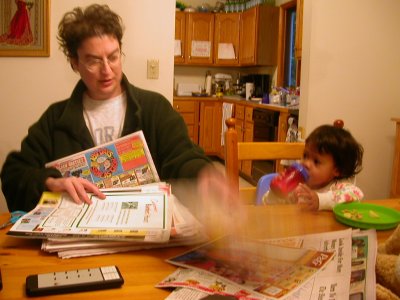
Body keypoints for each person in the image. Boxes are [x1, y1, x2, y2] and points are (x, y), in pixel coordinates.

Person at [1, 4, 232, 214]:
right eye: (93, 61)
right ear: (74, 63)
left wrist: (203, 173)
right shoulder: (56, 118)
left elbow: (182, 156)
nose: (107, 70)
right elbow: (14, 173)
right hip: (76, 245)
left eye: (113, 57)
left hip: (141, 242)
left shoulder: (155, 108)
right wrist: (50, 182)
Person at [262, 123, 364, 210]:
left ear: (337, 170)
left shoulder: (338, 186)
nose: (306, 163)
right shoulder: (298, 186)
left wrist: (320, 200)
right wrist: (276, 193)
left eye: (316, 161)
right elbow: (268, 208)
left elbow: (357, 194)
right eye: (305, 156)